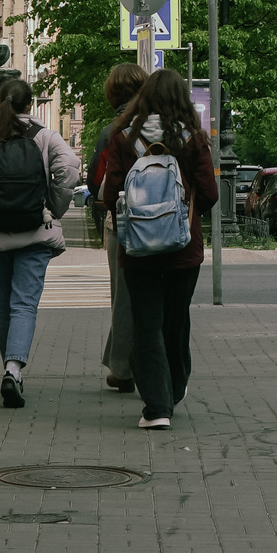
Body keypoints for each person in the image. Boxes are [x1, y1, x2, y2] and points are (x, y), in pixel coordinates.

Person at [95, 68, 219, 430]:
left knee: (146, 324)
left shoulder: (123, 138)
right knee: (176, 322)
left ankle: (156, 408)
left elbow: (109, 192)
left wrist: (132, 230)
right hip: (183, 250)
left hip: (137, 250)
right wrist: (186, 216)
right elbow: (210, 193)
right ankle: (174, 388)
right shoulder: (193, 139)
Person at [0, 79, 80, 409]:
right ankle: (13, 370)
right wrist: (53, 207)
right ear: (30, 105)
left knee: (3, 307)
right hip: (35, 233)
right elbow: (68, 166)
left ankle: (10, 371)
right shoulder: (44, 135)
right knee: (24, 304)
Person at [90, 62, 148, 394]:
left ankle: (124, 369)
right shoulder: (165, 125)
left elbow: (96, 183)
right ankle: (130, 363)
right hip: (167, 223)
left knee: (123, 297)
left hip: (123, 224)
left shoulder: (113, 131)